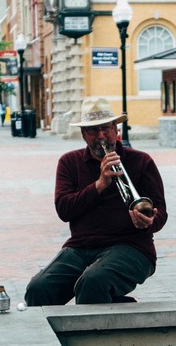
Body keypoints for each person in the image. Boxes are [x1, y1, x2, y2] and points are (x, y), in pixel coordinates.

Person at [24, 98, 168, 306]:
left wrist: (149, 221)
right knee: (38, 288)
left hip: (132, 247)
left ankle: (101, 333)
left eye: (105, 129)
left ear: (116, 129)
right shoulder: (69, 162)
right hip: (81, 247)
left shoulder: (141, 161)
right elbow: (64, 210)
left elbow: (160, 211)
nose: (101, 136)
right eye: (92, 131)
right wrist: (99, 185)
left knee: (92, 283)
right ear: (83, 135)